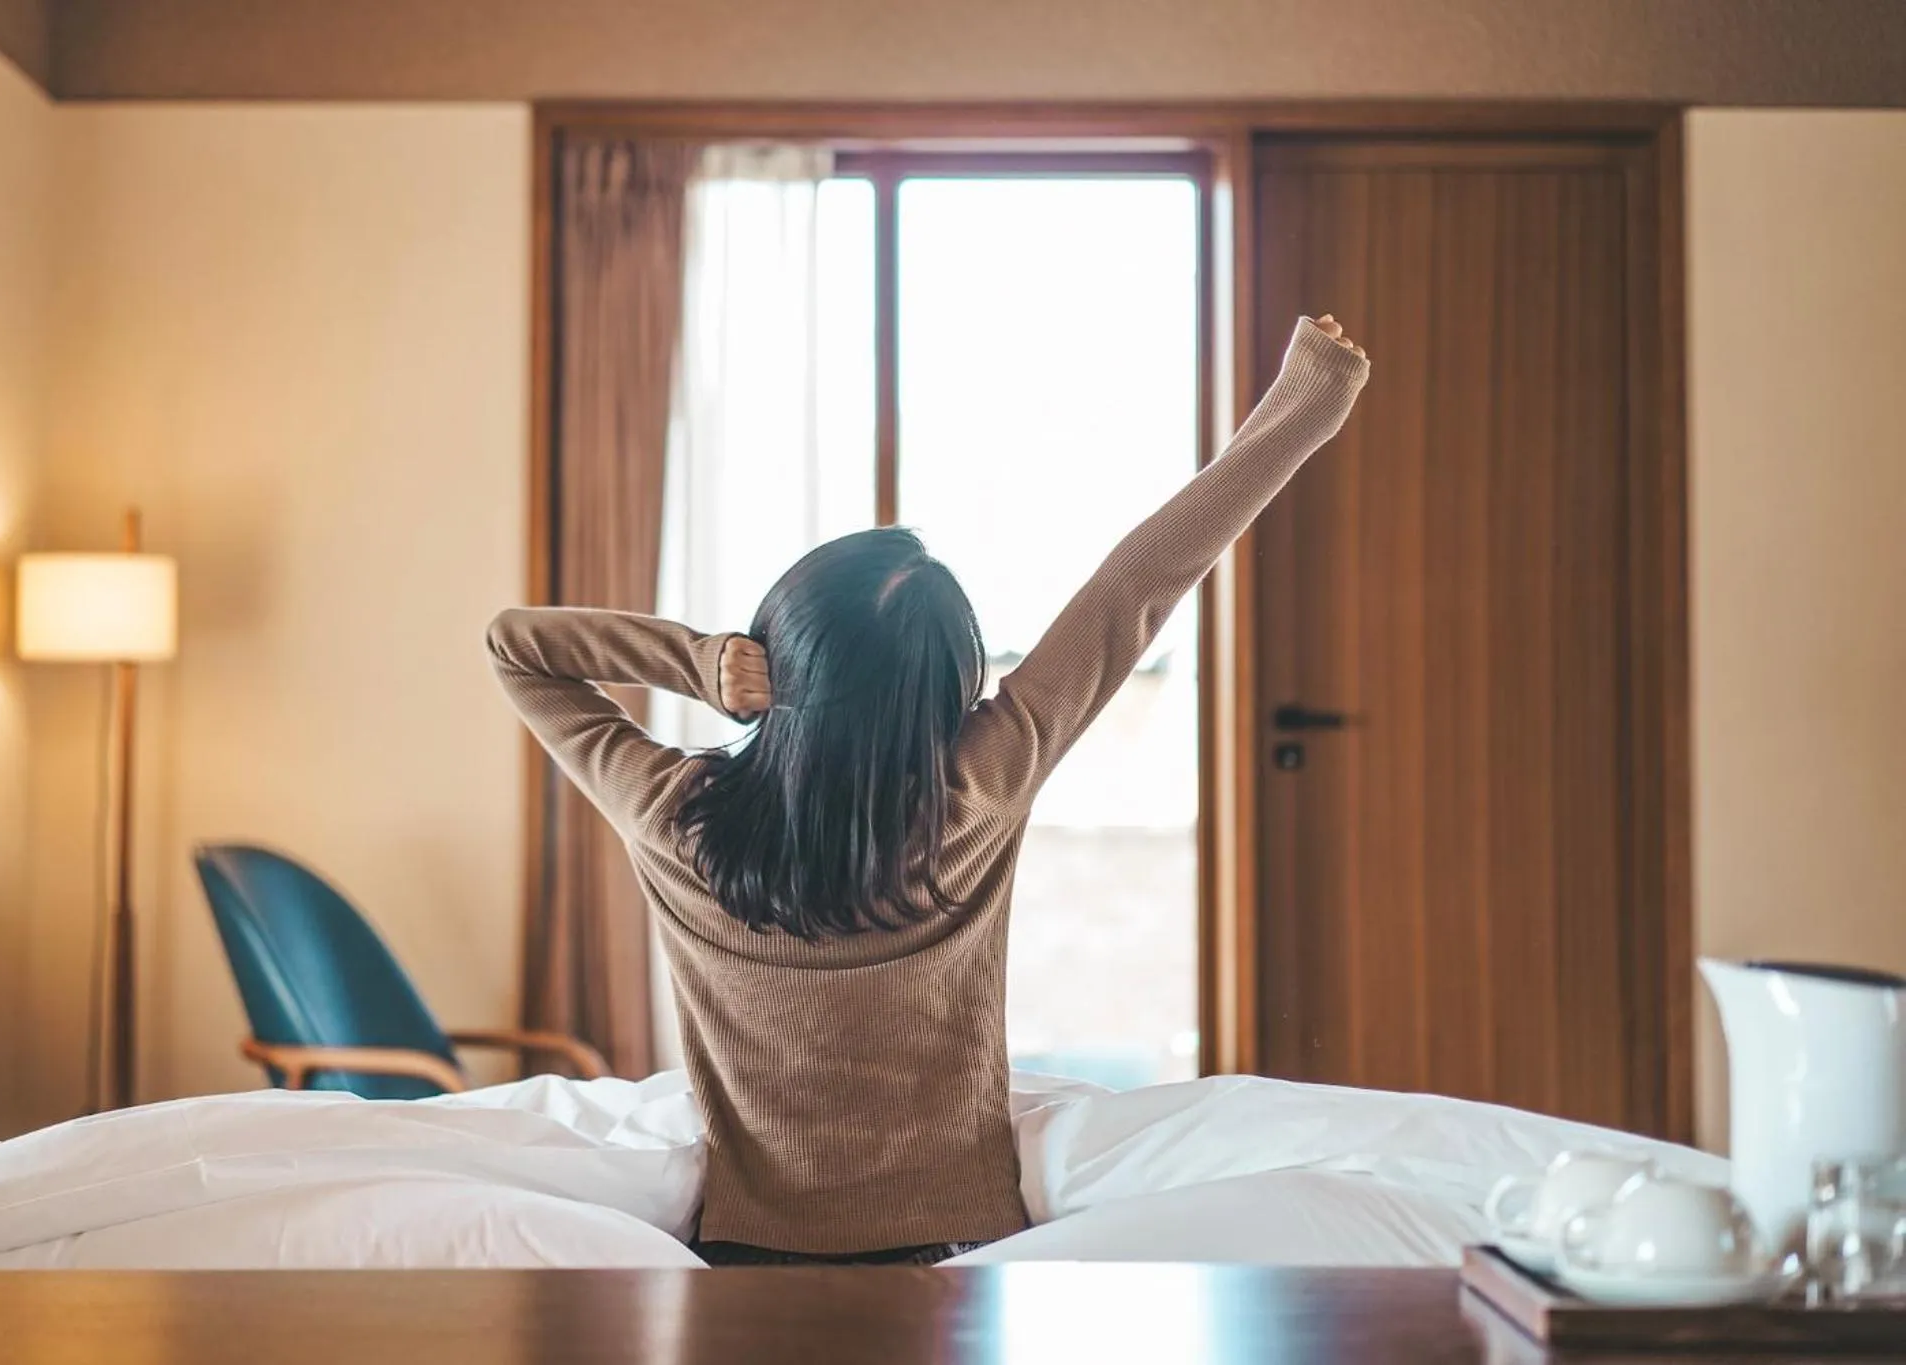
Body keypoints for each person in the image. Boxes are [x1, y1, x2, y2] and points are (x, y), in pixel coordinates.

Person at [488, 314, 1370, 1265]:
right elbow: (1140, 583)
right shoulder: (982, 781)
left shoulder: (676, 815)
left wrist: (700, 662)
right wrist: (1305, 404)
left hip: (747, 1252)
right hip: (956, 1245)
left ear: (777, 656)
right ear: (950, 687)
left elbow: (517, 647)